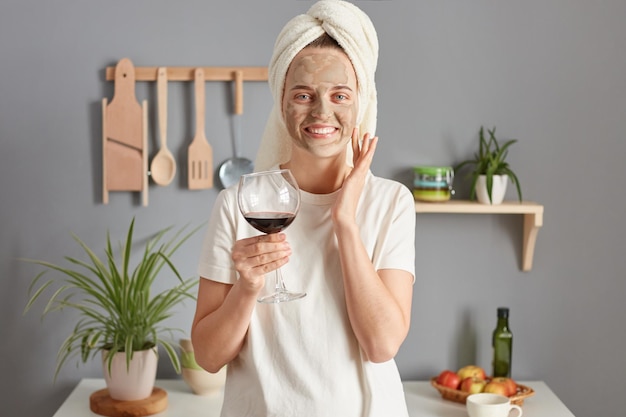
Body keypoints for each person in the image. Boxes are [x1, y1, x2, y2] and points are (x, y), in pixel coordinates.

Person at [191, 1, 415, 416]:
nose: (321, 111)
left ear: (359, 103)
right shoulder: (238, 204)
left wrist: (345, 221)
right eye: (303, 94)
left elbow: (382, 344)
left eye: (339, 95)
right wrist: (247, 288)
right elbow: (207, 356)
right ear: (282, 102)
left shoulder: (391, 203)